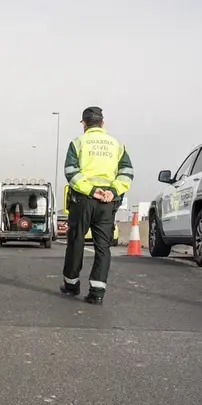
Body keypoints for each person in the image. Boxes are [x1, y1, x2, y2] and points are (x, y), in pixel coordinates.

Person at [61, 106, 133, 305]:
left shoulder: (78, 142)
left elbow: (71, 172)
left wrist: (92, 190)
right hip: (107, 203)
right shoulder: (116, 144)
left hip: (83, 200)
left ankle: (71, 284)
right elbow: (127, 172)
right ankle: (97, 292)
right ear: (102, 123)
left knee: (76, 242)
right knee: (103, 247)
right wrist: (113, 191)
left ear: (84, 124)